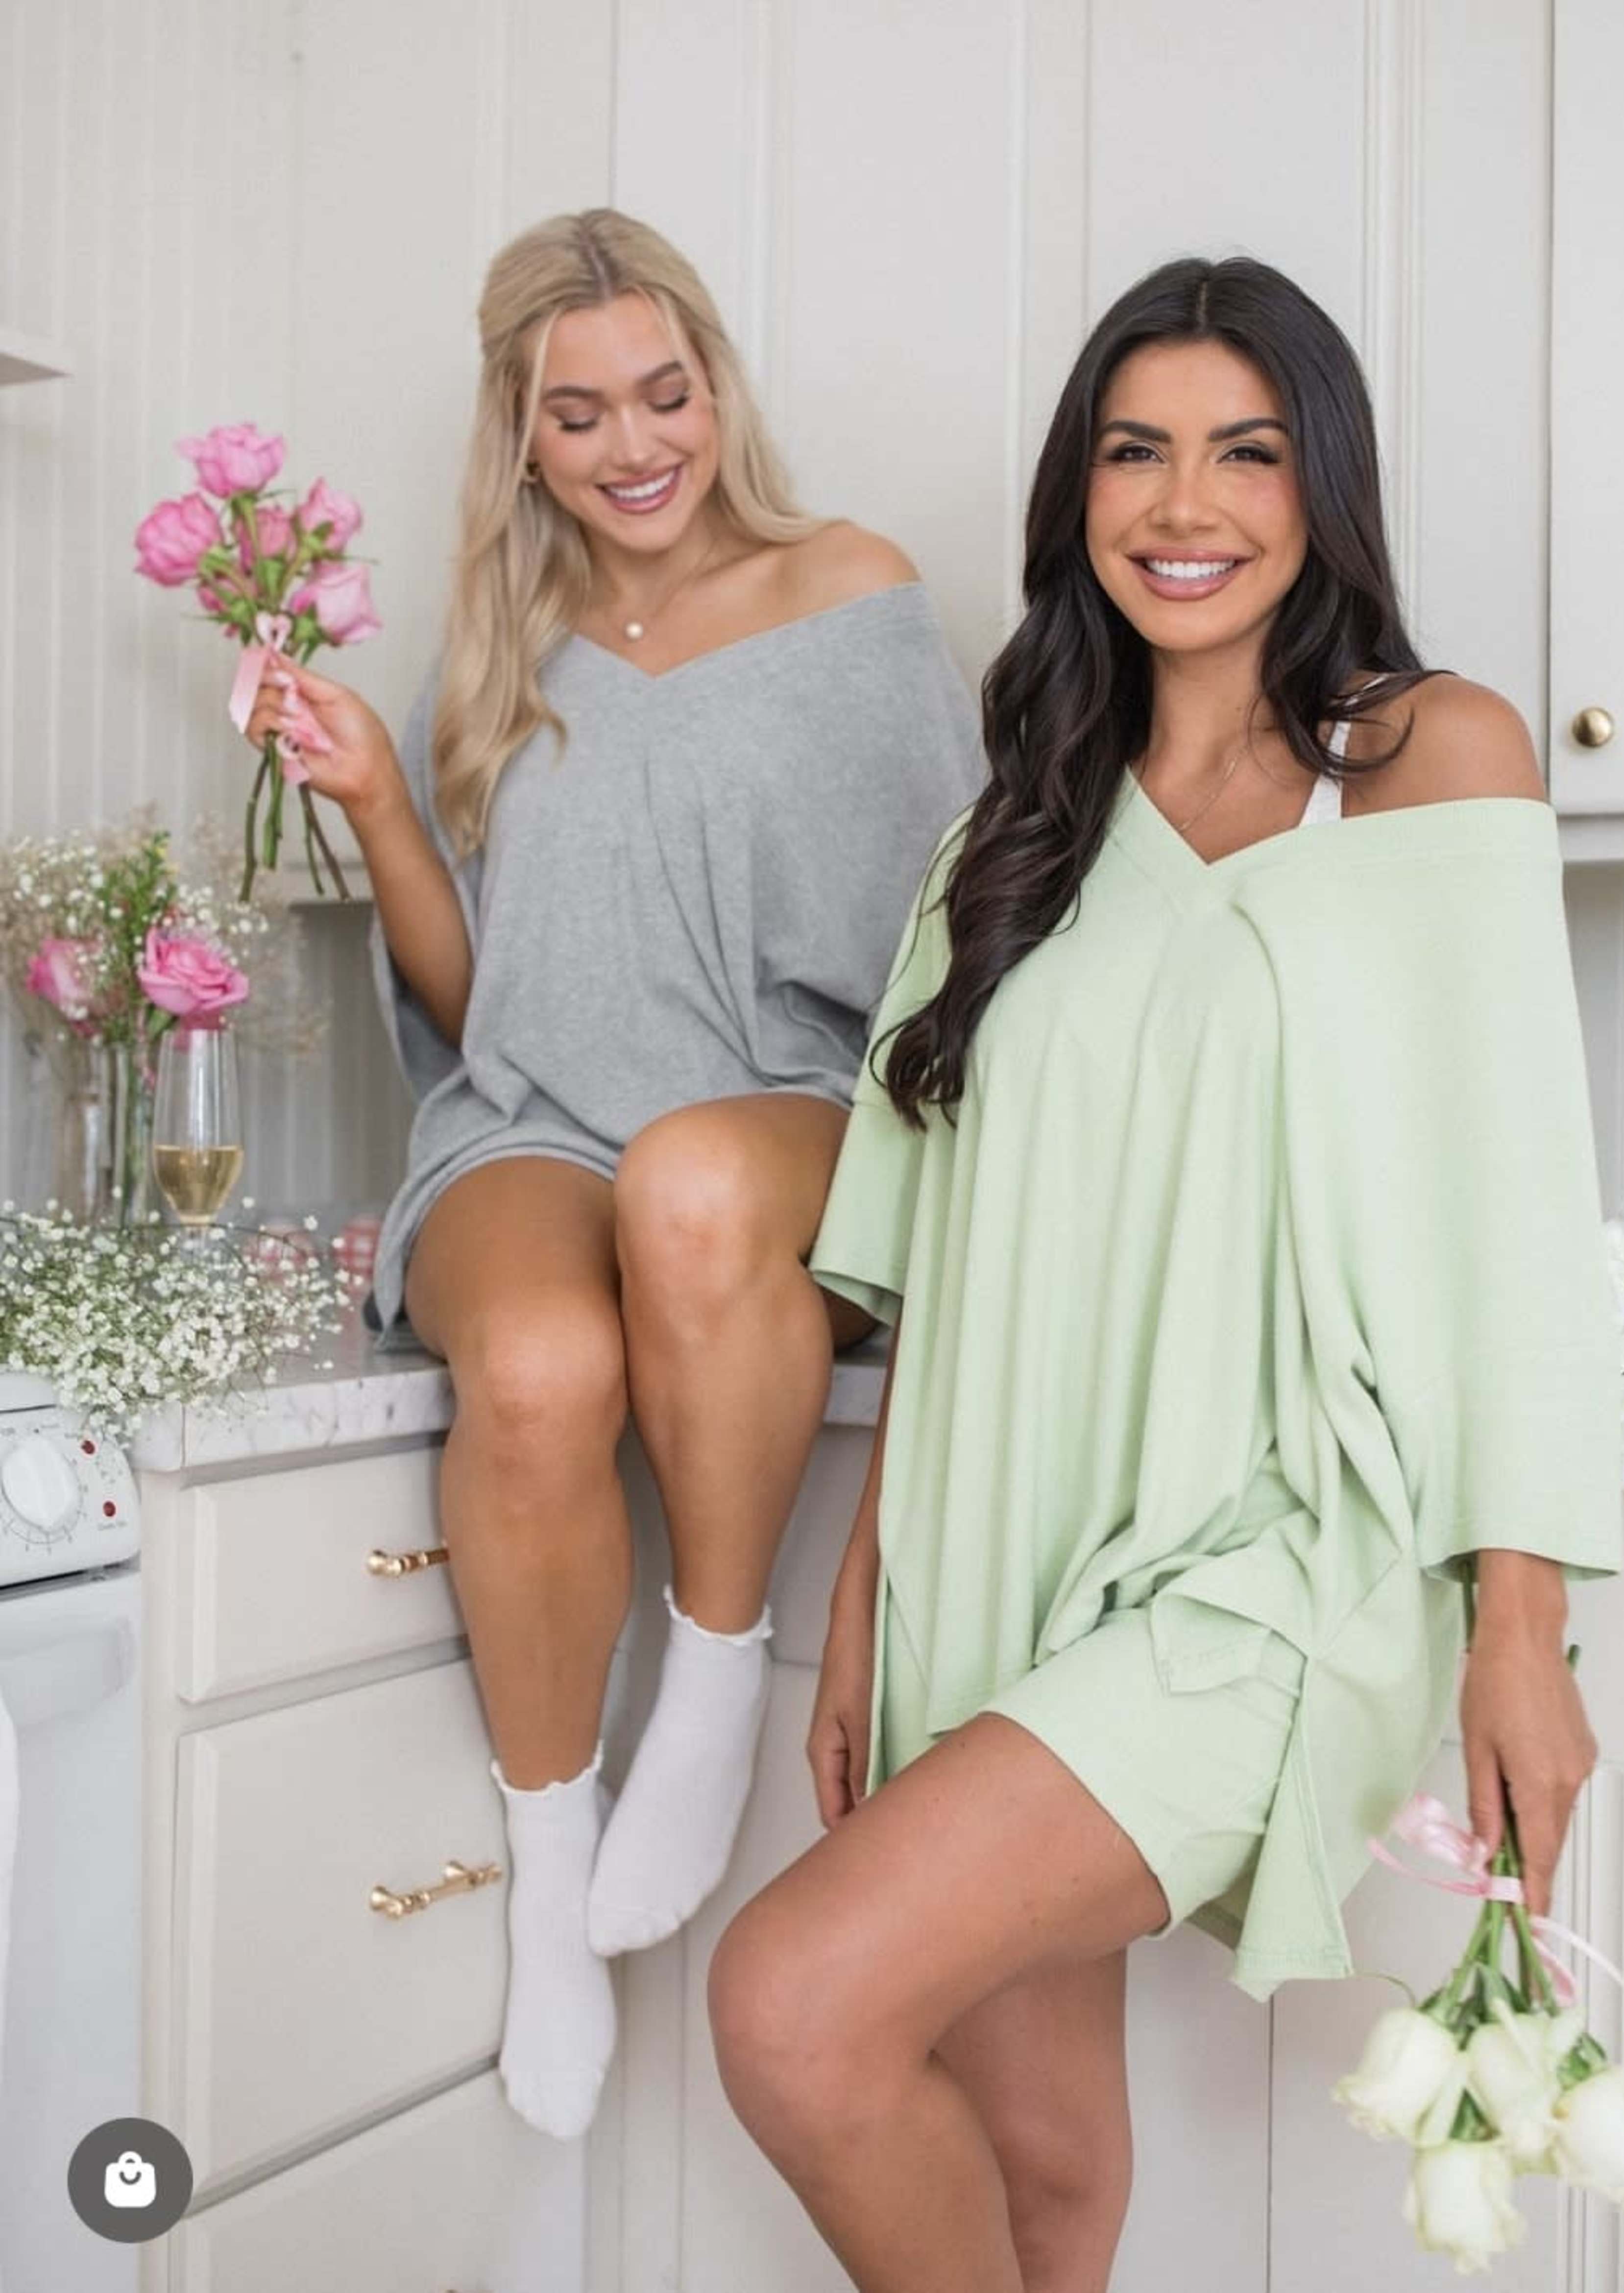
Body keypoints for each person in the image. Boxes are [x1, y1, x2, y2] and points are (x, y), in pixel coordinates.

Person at [704, 254, 1623, 2292]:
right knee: (1045, 2171)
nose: (1182, 504)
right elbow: (934, 1270)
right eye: (1136, 452)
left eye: (1244, 451)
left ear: (1323, 490)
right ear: (1078, 496)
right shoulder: (1008, 840)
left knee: (792, 2006)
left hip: (1278, 1564)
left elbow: (1514, 1217)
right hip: (994, 1538)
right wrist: (862, 1610)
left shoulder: (1429, 760)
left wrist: (1521, 1628)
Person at [238, 208, 983, 2142]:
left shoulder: (856, 590)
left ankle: (713, 1692)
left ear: (718, 385)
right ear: (523, 431)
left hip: (788, 1113)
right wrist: (385, 802)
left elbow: (957, 952)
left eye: (667, 391)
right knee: (544, 1372)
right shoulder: (505, 650)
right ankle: (547, 1884)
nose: (636, 442)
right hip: (537, 1121)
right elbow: (486, 1001)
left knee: (691, 1188)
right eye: (582, 414)